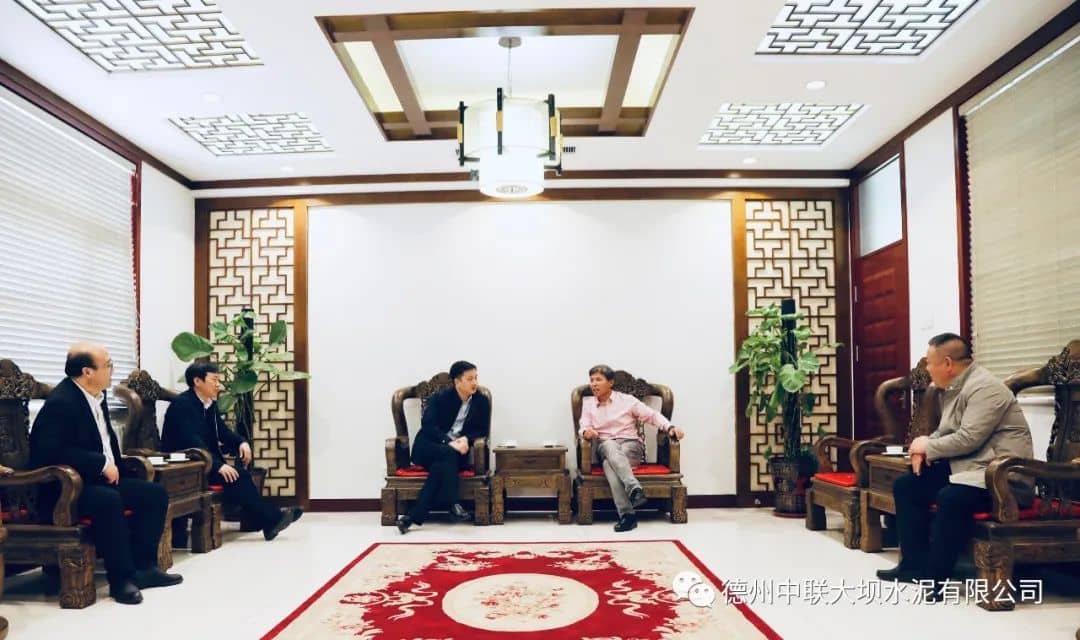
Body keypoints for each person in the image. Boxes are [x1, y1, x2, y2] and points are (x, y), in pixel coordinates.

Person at [876, 333, 1034, 598]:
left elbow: (969, 438)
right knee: (908, 485)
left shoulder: (985, 388)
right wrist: (922, 447)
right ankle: (912, 567)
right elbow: (945, 431)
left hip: (1003, 478)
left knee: (951, 497)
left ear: (947, 363)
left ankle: (937, 578)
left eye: (930, 363)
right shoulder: (955, 387)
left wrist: (927, 447)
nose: (927, 369)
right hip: (971, 469)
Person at [29, 342, 182, 604]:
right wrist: (100, 464)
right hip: (66, 489)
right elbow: (50, 451)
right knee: (108, 500)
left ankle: (144, 568)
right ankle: (121, 580)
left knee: (153, 494)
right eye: (108, 365)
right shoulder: (61, 402)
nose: (112, 370)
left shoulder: (95, 397)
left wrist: (118, 468)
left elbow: (105, 442)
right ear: (87, 372)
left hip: (97, 480)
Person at [161, 362, 301, 541]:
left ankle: (268, 521)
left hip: (205, 463)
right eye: (214, 380)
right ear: (197, 381)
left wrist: (241, 442)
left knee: (240, 476)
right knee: (238, 477)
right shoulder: (182, 406)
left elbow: (223, 432)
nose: (218, 385)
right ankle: (271, 520)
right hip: (187, 468)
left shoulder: (209, 405)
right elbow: (191, 442)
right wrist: (218, 466)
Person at [579, 365, 685, 532]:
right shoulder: (589, 404)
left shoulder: (627, 400)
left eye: (598, 380)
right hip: (605, 445)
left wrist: (670, 427)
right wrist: (586, 432)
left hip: (631, 446)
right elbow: (584, 426)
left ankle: (627, 516)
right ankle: (634, 488)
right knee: (609, 445)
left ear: (611, 383)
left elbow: (651, 416)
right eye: (591, 380)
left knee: (609, 465)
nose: (594, 384)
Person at [397, 360, 490, 534]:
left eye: (476, 378)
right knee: (448, 454)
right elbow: (428, 426)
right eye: (470, 379)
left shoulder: (481, 401)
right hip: (429, 447)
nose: (475, 383)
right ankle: (452, 503)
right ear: (457, 381)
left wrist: (466, 439)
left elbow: (482, 430)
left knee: (441, 466)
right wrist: (448, 442)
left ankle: (412, 518)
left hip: (455, 452)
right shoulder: (440, 398)